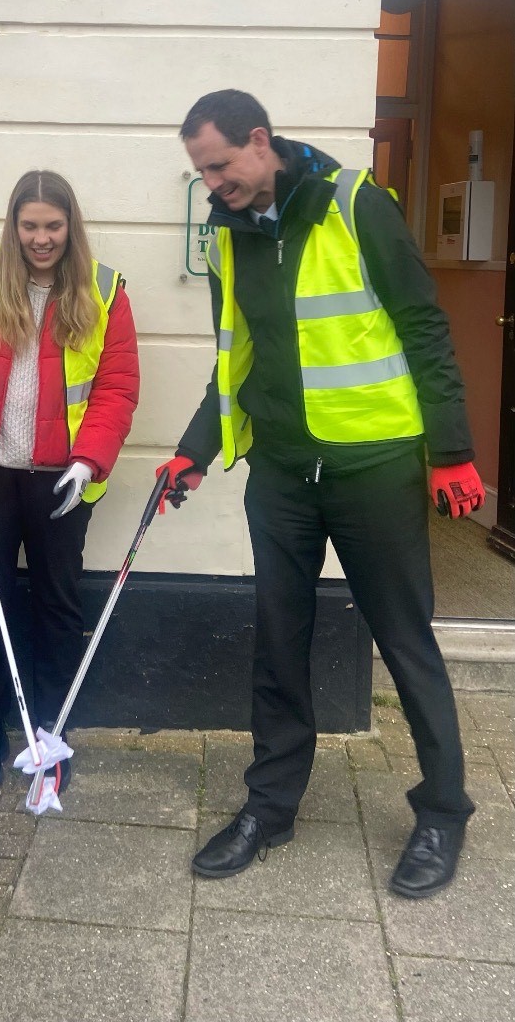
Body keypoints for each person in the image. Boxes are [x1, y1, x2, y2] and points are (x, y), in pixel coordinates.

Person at [157, 90, 482, 899]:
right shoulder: (227, 236)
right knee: (277, 643)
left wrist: (449, 452)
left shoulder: (353, 205)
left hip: (373, 470)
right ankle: (270, 807)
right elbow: (232, 356)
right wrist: (194, 450)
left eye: (220, 166)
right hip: (280, 477)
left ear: (260, 142)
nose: (212, 184)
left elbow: (423, 327)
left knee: (404, 642)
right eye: (200, 172)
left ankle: (442, 810)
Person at [0, 170, 139, 793]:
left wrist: (89, 460)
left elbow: (116, 388)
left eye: (53, 226)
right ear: (14, 225)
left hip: (61, 480)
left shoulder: (105, 290)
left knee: (59, 609)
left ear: (72, 227)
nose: (42, 239)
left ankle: (51, 732)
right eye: (30, 225)